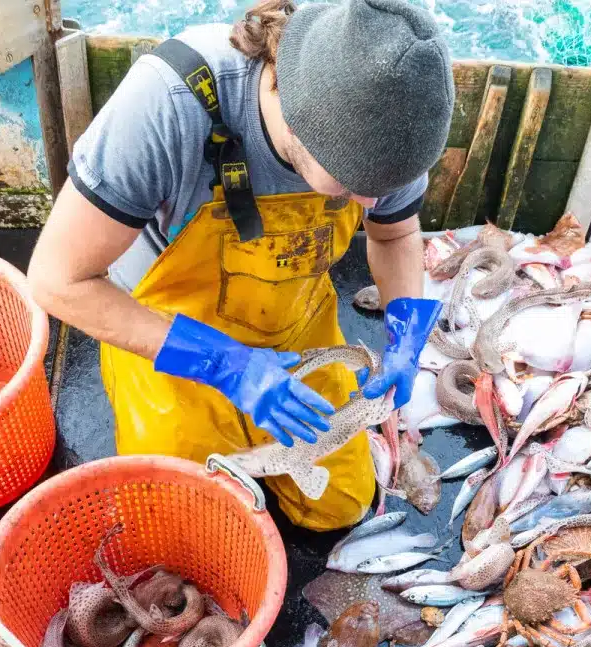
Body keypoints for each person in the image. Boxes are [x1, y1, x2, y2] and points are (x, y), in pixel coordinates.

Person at [28, 0, 452, 529]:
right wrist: (226, 364)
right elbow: (56, 280)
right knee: (180, 525)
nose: (368, 205)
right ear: (294, 118)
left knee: (339, 506)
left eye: (383, 189)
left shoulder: (393, 131)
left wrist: (405, 330)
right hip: (170, 334)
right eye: (348, 188)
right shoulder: (169, 102)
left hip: (294, 321)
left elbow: (397, 233)